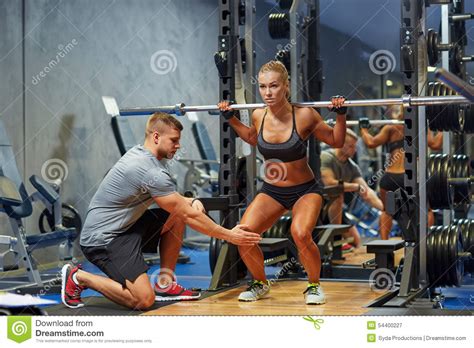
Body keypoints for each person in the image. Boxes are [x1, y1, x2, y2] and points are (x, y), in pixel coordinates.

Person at [61, 113, 261, 310]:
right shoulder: (147, 169)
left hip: (125, 228)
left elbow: (177, 204)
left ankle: (165, 284)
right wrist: (230, 235)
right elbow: (188, 214)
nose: (178, 145)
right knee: (143, 300)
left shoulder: (144, 157)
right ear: (156, 137)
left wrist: (192, 200)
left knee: (175, 217)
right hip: (102, 240)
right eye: (174, 140)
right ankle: (80, 278)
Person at [218, 60, 346, 305]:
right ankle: (259, 282)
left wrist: (340, 115)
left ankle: (314, 286)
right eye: (263, 87)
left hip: (305, 190)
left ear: (286, 86)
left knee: (299, 233)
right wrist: (231, 119)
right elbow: (253, 138)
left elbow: (336, 141)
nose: (267, 93)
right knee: (243, 234)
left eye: (274, 86)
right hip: (272, 190)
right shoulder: (258, 115)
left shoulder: (305, 114)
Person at [359, 105, 442, 240]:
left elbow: (370, 142)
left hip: (390, 177)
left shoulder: (391, 127)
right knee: (426, 210)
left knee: (387, 212)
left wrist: (363, 128)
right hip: (411, 176)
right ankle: (424, 243)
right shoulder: (421, 128)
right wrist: (441, 127)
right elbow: (436, 144)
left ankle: (385, 247)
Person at [320, 128, 383, 249]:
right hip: (318, 206)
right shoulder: (326, 157)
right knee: (337, 194)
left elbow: (366, 191)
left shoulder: (352, 167)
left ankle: (336, 240)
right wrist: (354, 186)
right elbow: (329, 183)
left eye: (355, 146)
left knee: (356, 241)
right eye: (351, 146)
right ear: (341, 144)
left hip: (335, 209)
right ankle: (335, 240)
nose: (354, 150)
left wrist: (384, 209)